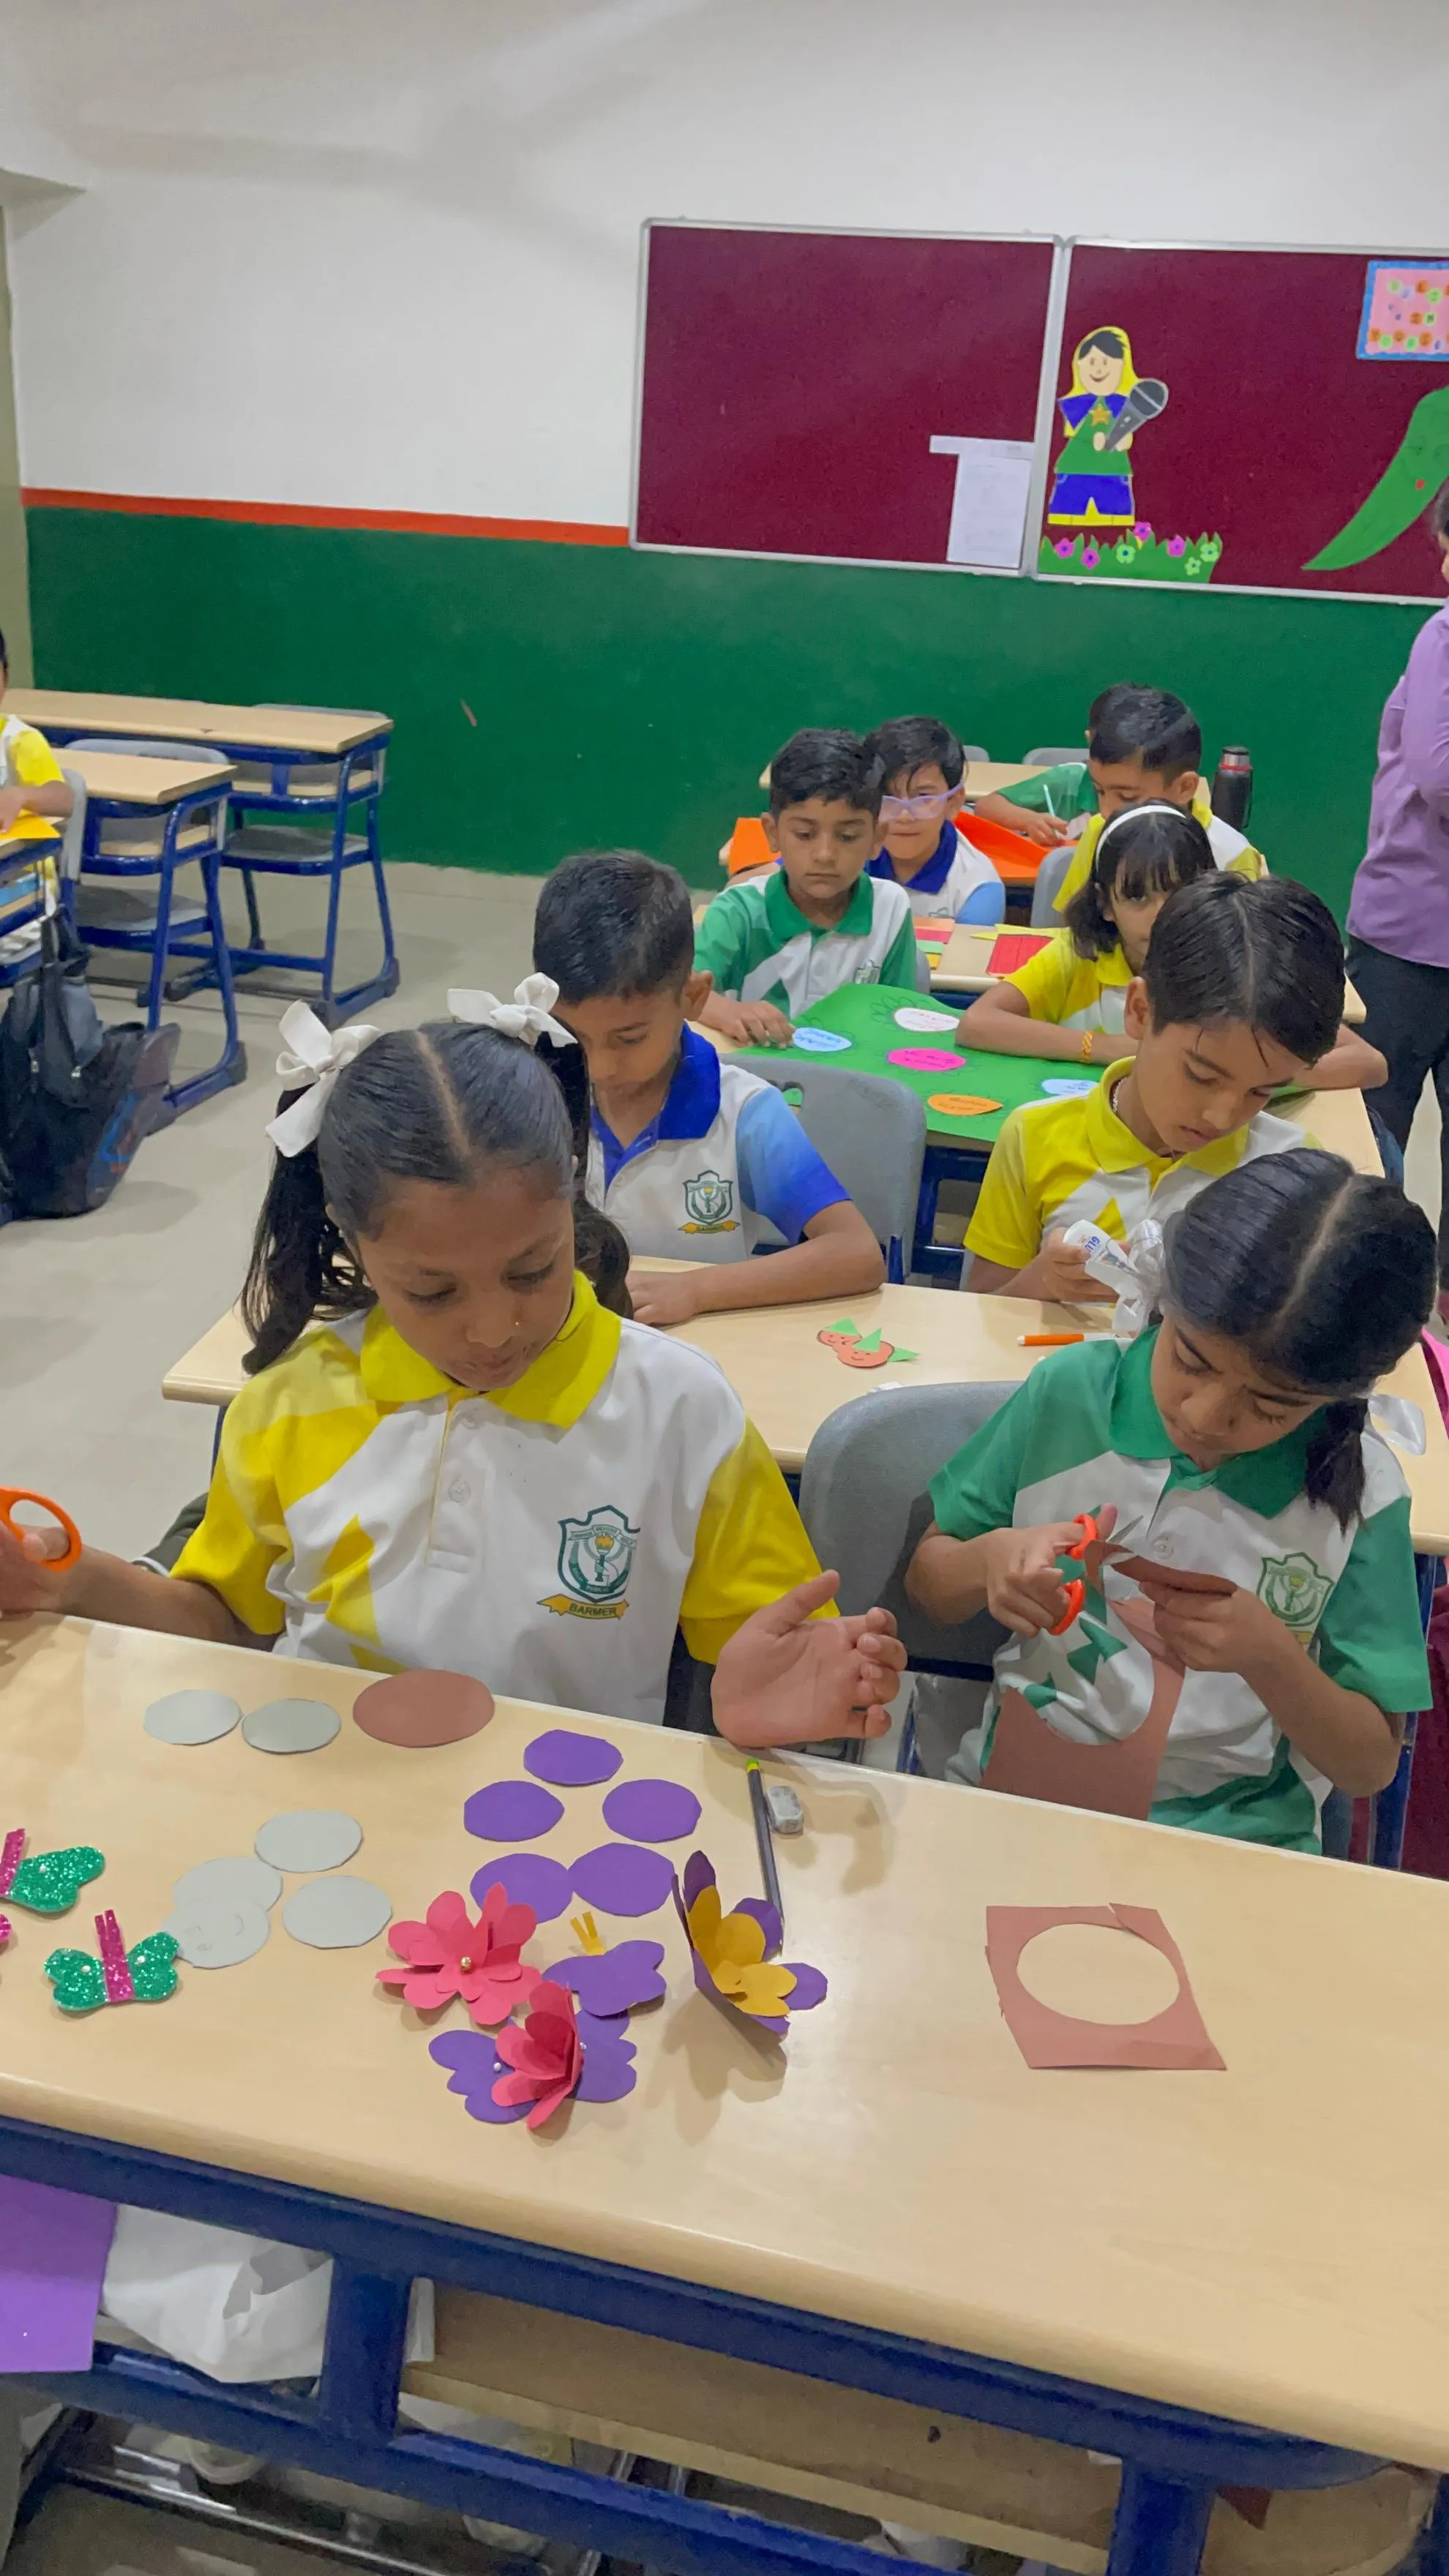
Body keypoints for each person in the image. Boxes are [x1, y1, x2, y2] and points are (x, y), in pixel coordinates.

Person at [0, 1001, 903, 1746]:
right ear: (355, 1244)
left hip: (559, 1828)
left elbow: (771, 1652)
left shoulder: (682, 1411)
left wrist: (745, 1712)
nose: (493, 1329)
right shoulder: (291, 1402)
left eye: (533, 1269)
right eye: (432, 1292)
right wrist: (74, 1583)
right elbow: (228, 1621)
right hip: (323, 1803)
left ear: (573, 1201)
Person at [908, 1149, 1435, 1852]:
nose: (1205, 1416)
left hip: (1233, 1842)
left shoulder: (1362, 1496)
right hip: (1020, 1796)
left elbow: (1368, 1766)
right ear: (1164, 1299)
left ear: (1341, 1395)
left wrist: (1271, 1659)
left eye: (1271, 1406)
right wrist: (989, 1561)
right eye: (1190, 1360)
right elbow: (930, 1586)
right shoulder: (1071, 1393)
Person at [532, 849, 885, 1329]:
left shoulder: (744, 1114)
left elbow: (856, 1254)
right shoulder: (530, 1093)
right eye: (574, 1034)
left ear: (694, 998)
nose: (598, 1068)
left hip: (696, 1349)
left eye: (629, 1038)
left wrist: (696, 1290)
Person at [962, 873, 1344, 1302]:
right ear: (1140, 1011)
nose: (1222, 1117)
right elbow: (980, 1308)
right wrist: (1043, 1282)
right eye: (1201, 1076)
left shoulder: (1290, 1168)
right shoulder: (1034, 1138)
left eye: (1262, 1091)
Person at [958, 804, 1385, 1093]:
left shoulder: (1235, 964)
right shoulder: (1078, 957)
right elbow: (977, 1023)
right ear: (1105, 904)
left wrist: (1251, 1076)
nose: (1160, 914)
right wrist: (1104, 1049)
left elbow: (1368, 1063)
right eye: (1137, 897)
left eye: (1178, 892)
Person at [1346, 479, 1449, 1309]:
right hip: (1411, 934)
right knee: (1370, 1133)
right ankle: (1365, 1305)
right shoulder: (1444, 636)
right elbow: (1440, 774)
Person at [694, 730, 915, 1044]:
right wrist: (729, 1012)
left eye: (848, 837)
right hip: (757, 1071)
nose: (825, 855)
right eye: (804, 835)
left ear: (877, 839)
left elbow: (901, 1019)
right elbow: (678, 994)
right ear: (773, 833)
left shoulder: (890, 908)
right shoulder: (738, 910)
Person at [972, 685, 1268, 896]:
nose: (1106, 812)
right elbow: (1074, 934)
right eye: (1100, 792)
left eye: (1128, 797)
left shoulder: (1231, 855)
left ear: (1184, 788)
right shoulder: (1098, 832)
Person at [861, 714, 1003, 924]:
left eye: (923, 798)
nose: (904, 816)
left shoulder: (977, 889)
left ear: (953, 802)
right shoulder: (848, 859)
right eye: (887, 798)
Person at [1046, 326, 1141, 530]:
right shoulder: (1076, 404)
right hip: (1075, 469)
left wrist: (1124, 440)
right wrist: (1092, 439)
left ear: (1121, 366)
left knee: (1115, 519)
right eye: (1091, 362)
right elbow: (1072, 430)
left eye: (1106, 362)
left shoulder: (1124, 403)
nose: (1098, 370)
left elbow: (1129, 429)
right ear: (1079, 365)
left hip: (1113, 471)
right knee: (1066, 517)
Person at [0, 628, 73, 845]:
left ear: (6, 679)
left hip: (19, 860)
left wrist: (21, 796)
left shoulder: (18, 739)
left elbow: (63, 799)